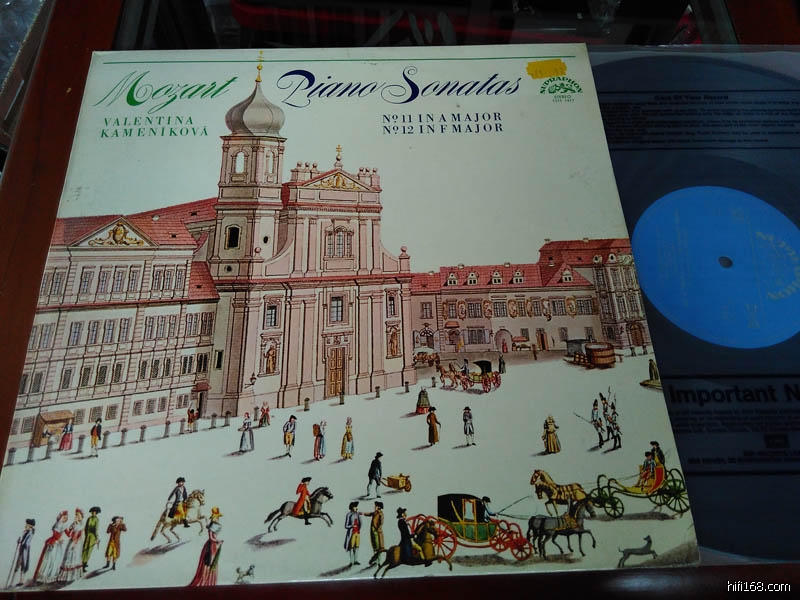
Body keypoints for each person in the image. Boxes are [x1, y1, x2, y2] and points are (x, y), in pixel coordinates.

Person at [33, 510, 69, 584]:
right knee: (50, 559)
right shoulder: (57, 524)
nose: (64, 519)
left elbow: (68, 534)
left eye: (66, 518)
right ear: (60, 517)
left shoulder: (64, 525)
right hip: (54, 543)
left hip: (58, 545)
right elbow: (55, 533)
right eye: (63, 517)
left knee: (56, 560)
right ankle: (44, 577)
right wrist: (59, 538)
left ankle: (53, 577)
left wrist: (73, 529)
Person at [189, 508, 222, 586]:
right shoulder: (212, 526)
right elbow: (211, 538)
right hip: (210, 546)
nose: (218, 519)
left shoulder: (216, 525)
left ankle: (211, 582)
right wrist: (218, 541)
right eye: (217, 517)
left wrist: (217, 541)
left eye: (218, 517)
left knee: (213, 562)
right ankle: (207, 581)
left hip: (214, 546)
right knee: (209, 562)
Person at [57, 508, 85, 583]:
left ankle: (74, 575)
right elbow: (69, 533)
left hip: (77, 542)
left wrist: (75, 543)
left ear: (81, 516)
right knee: (68, 555)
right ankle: (65, 576)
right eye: (76, 515)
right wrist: (70, 527)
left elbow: (79, 534)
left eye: (78, 515)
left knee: (75, 556)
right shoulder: (74, 523)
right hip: (71, 540)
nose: (76, 516)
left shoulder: (81, 523)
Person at [10, 518, 35, 587]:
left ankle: (21, 581)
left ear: (30, 526)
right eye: (26, 524)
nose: (26, 525)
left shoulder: (30, 532)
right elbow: (22, 539)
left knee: (23, 564)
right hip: (22, 548)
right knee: (18, 564)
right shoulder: (25, 531)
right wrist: (19, 541)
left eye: (27, 524)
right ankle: (13, 582)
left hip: (25, 549)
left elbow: (26, 541)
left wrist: (22, 542)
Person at [363, 501, 385, 565]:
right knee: (375, 546)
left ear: (379, 507)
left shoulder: (380, 514)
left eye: (376, 506)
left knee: (379, 547)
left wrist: (378, 528)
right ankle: (376, 561)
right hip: (373, 532)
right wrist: (363, 513)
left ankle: (379, 561)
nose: (374, 507)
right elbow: (370, 514)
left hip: (377, 532)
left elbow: (381, 522)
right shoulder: (375, 513)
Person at [81, 506, 101, 573]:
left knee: (89, 551)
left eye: (94, 512)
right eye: (92, 512)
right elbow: (86, 527)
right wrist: (86, 535)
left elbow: (96, 529)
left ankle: (84, 564)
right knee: (84, 549)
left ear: (96, 513)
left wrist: (97, 538)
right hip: (87, 536)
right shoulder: (89, 518)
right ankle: (82, 563)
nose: (93, 513)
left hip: (92, 537)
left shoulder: (97, 519)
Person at [344, 502, 362, 566]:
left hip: (357, 533)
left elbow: (360, 523)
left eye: (356, 507)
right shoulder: (349, 514)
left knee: (357, 547)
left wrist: (358, 529)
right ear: (352, 507)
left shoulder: (357, 514)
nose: (356, 508)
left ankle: (355, 560)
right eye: (355, 507)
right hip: (352, 533)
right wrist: (352, 526)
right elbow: (346, 526)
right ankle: (351, 561)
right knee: (351, 547)